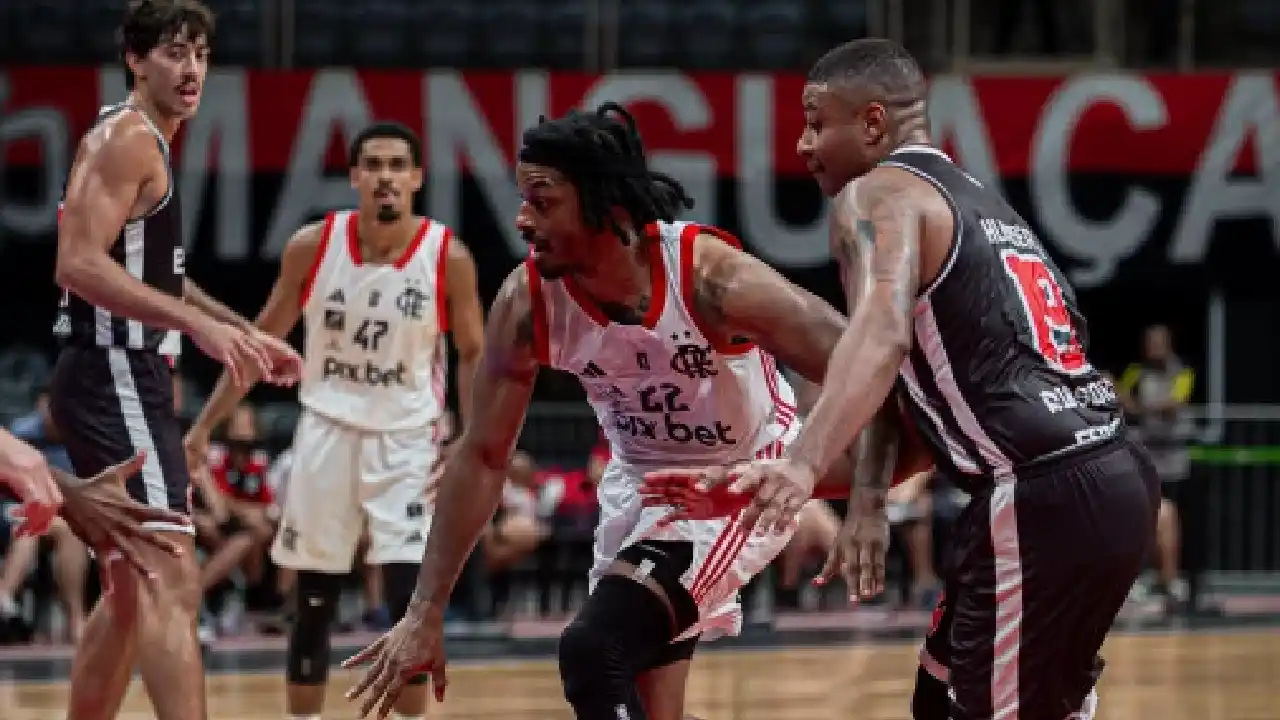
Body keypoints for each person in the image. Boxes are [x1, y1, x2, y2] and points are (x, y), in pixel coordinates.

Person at [643, 39, 1160, 720]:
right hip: (1103, 475)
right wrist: (864, 501)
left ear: (874, 123)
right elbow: (938, 373)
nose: (802, 143)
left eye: (816, 120)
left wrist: (801, 465)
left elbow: (880, 337)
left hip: (1040, 493)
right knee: (940, 700)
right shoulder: (983, 205)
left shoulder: (874, 195)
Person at [344, 102, 859, 720]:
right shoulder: (527, 300)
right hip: (638, 485)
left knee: (594, 651)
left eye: (543, 199)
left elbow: (862, 364)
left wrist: (831, 479)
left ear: (606, 206)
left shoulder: (713, 280)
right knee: (645, 701)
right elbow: (483, 456)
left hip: (737, 475)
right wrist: (424, 613)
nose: (522, 218)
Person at [48, 2, 302, 718]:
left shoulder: (142, 140)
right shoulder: (129, 139)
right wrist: (196, 327)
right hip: (114, 370)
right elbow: (77, 263)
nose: (191, 68)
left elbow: (153, 275)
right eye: (172, 52)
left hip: (120, 374)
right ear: (135, 59)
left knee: (134, 587)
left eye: (200, 53)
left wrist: (239, 329)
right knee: (169, 579)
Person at [185, 120, 486, 720]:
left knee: (408, 602)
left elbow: (474, 351)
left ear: (418, 178)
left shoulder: (447, 256)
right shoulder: (312, 246)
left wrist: (471, 438)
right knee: (314, 602)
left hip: (407, 439)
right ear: (354, 177)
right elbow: (259, 342)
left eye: (398, 165)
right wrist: (204, 426)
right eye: (372, 165)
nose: (385, 177)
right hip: (325, 431)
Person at [1117, 324, 1197, 613]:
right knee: (1144, 520)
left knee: (1171, 519)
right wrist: (1138, 406)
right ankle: (1142, 579)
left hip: (1174, 463)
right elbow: (1120, 398)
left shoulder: (1182, 372)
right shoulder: (1136, 372)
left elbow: (1174, 404)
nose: (1153, 348)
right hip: (1145, 462)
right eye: (1149, 342)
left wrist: (1140, 407)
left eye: (1158, 342)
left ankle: (1173, 582)